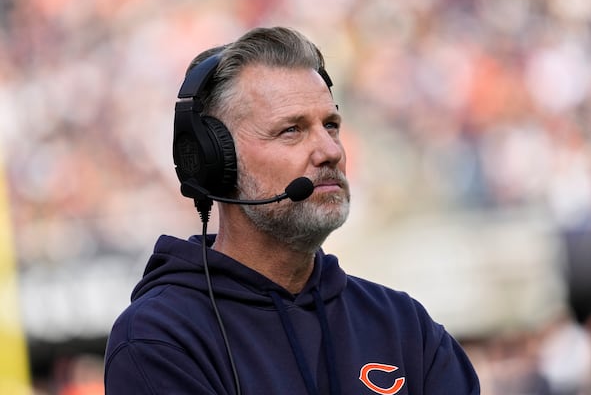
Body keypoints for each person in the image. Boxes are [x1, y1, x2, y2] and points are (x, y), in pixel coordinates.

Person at [104, 26, 480, 395]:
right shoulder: (159, 338)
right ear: (216, 160)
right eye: (291, 130)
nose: (330, 151)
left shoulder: (405, 326)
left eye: (331, 125)